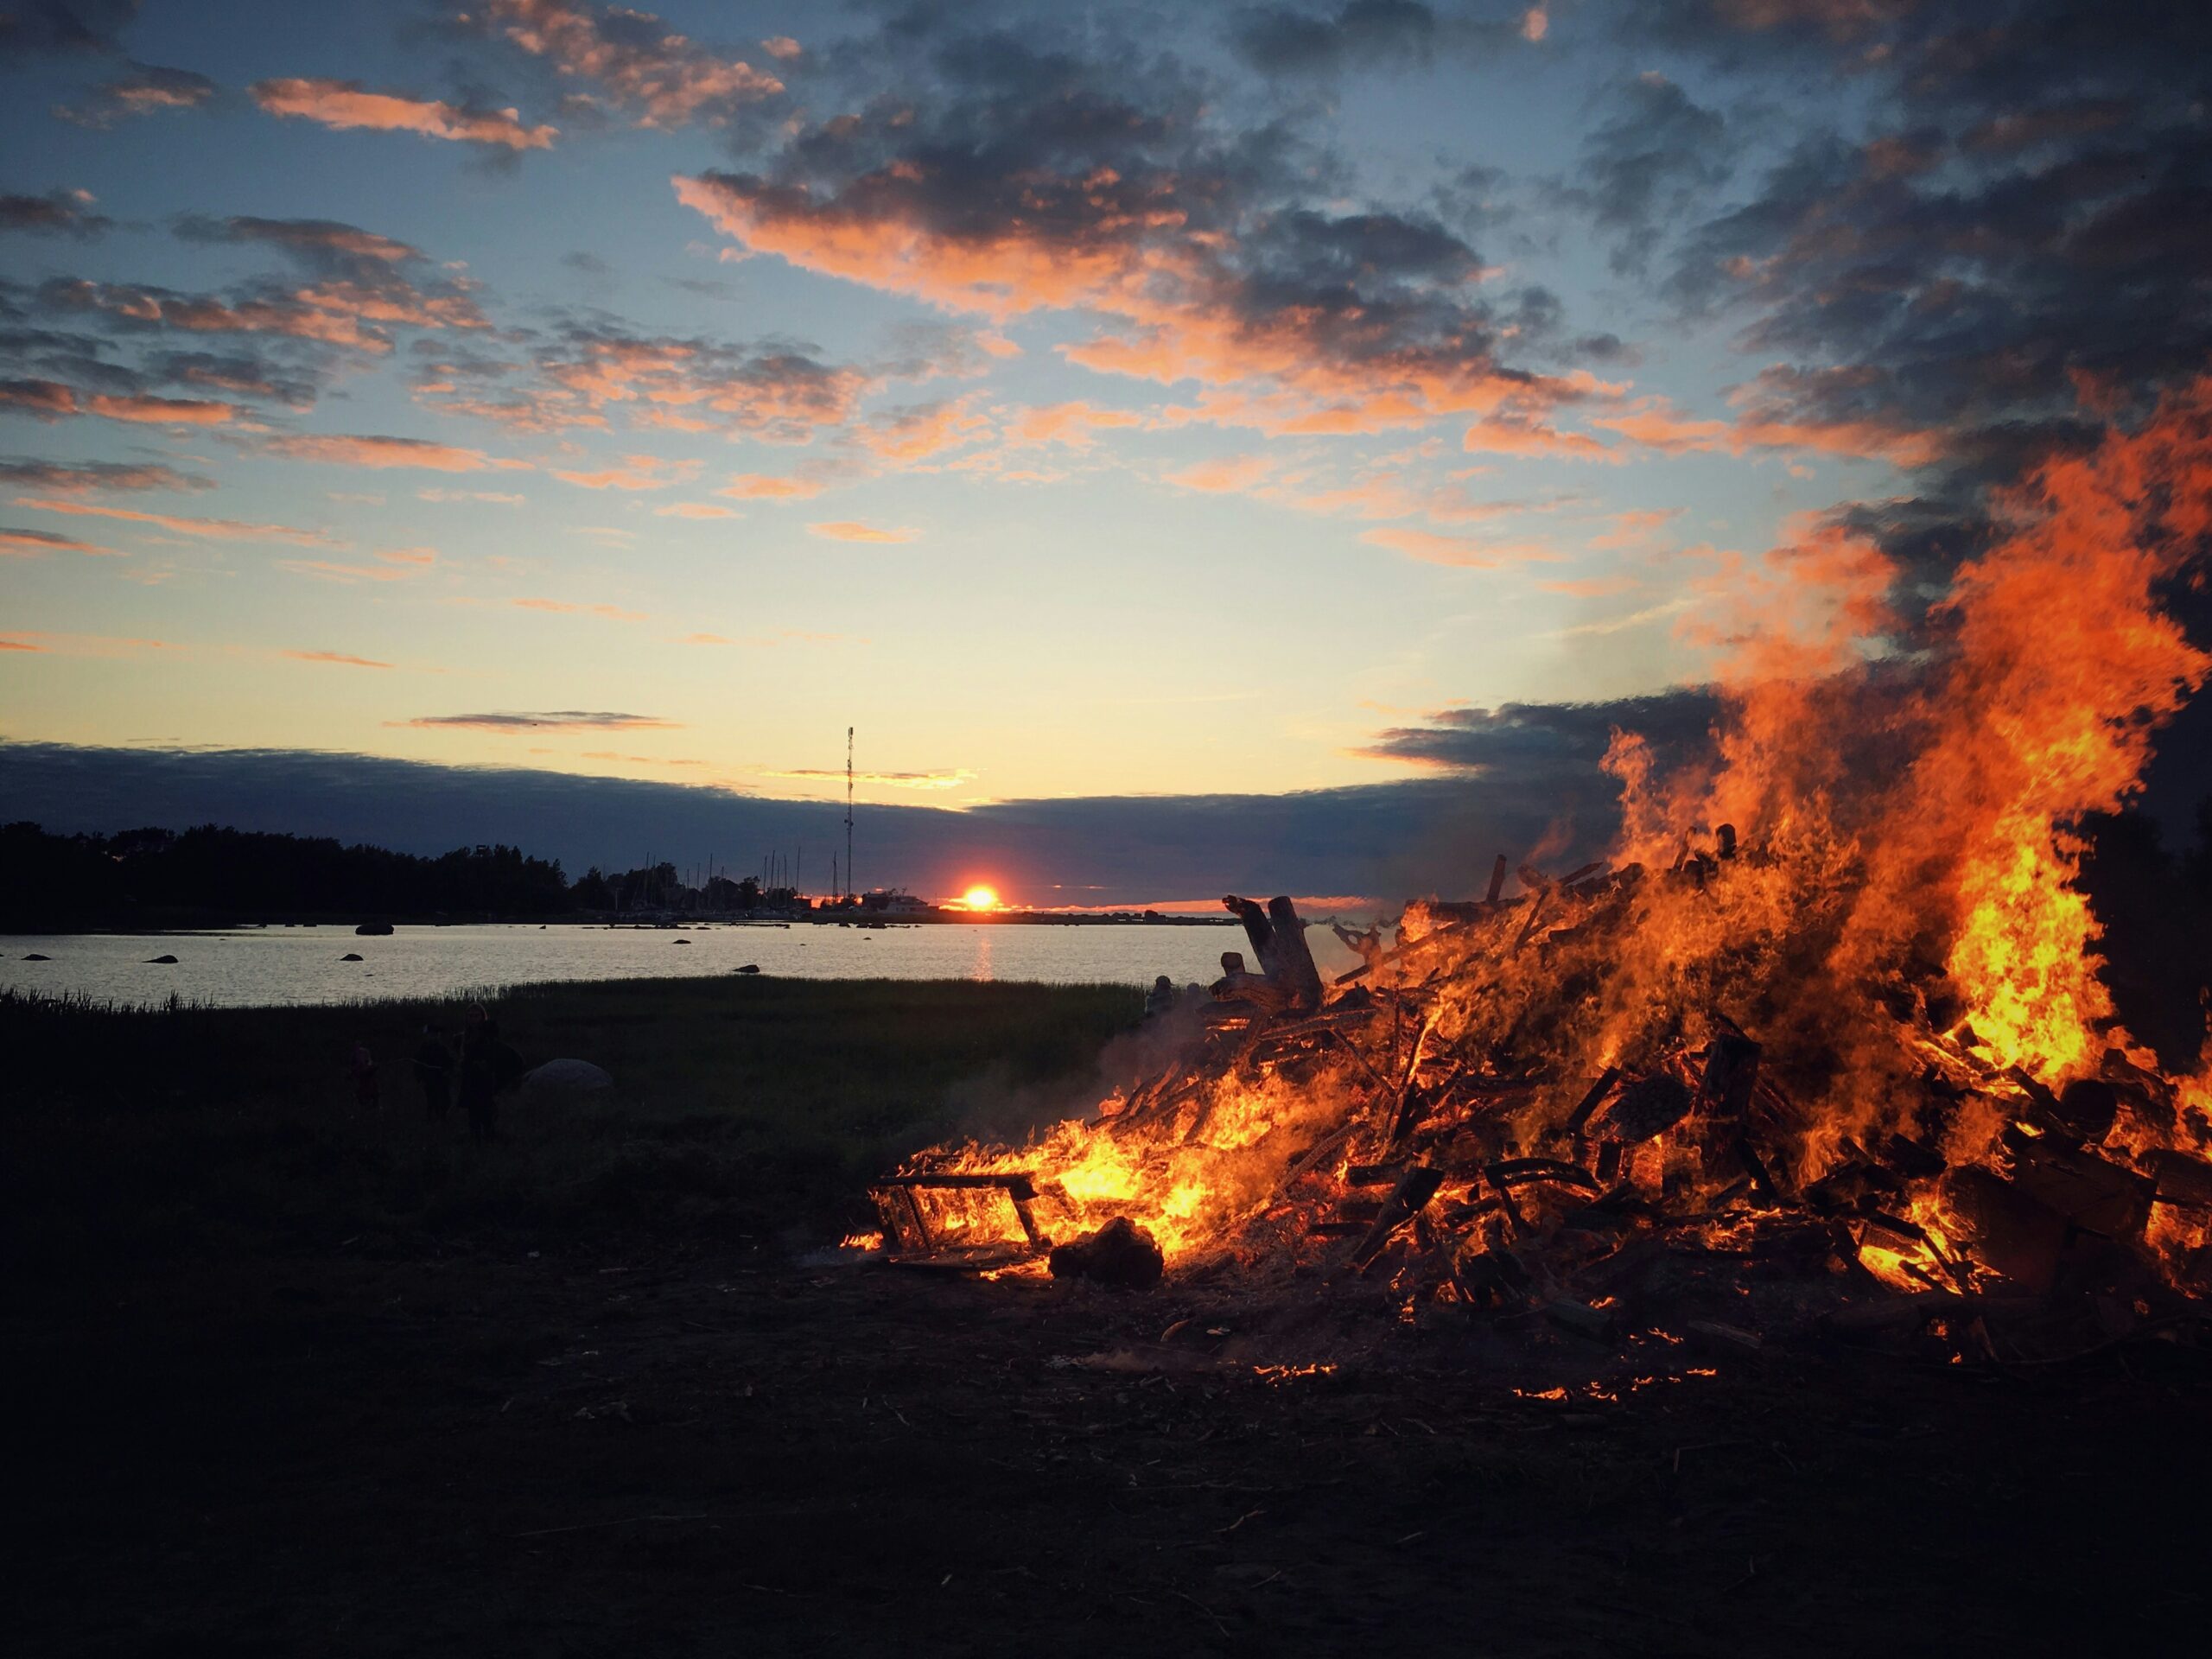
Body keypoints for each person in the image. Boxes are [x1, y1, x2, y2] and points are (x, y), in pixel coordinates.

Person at [412, 1025, 454, 1120]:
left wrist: (448, 1072)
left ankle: (442, 1118)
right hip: (429, 1080)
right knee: (431, 1101)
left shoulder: (442, 1048)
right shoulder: (423, 1049)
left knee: (446, 1101)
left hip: (442, 1080)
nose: (433, 1037)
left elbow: (449, 1062)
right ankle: (431, 1120)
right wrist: (420, 1079)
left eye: (435, 1035)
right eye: (431, 1035)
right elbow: (417, 1065)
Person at [351, 1042, 379, 1112]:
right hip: (361, 1073)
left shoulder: (365, 1052)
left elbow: (369, 1062)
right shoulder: (355, 1054)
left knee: (373, 1085)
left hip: (367, 1072)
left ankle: (374, 1101)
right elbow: (354, 1065)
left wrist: (369, 1066)